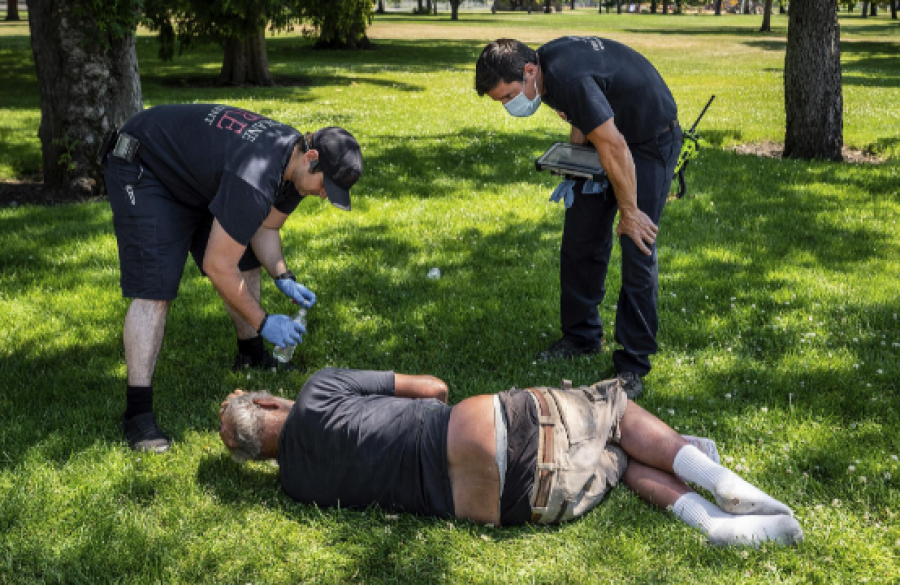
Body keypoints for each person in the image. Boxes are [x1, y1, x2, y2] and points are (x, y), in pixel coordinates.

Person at [218, 368, 803, 547]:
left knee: (617, 460)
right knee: (615, 412)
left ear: (257, 456)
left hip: (517, 504)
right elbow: (433, 388)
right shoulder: (318, 391)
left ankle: (714, 526)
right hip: (484, 431)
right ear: (268, 401)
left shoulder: (295, 487)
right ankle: (722, 480)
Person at [100, 104, 363, 453]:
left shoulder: (293, 164)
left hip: (193, 176)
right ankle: (138, 413)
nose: (325, 194)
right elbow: (217, 266)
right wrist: (264, 320)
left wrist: (283, 275)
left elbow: (266, 227)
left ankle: (251, 355)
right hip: (145, 165)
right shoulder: (256, 176)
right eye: (326, 185)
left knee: (247, 256)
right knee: (156, 287)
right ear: (311, 157)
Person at [474, 38, 685, 399]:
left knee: (637, 242)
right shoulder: (544, 69)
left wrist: (630, 212)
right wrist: (576, 164)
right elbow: (586, 118)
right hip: (611, 137)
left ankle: (633, 364)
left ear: (528, 72)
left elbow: (614, 145)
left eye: (509, 96)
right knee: (580, 235)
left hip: (648, 141)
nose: (509, 106)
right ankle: (581, 336)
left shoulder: (567, 77)